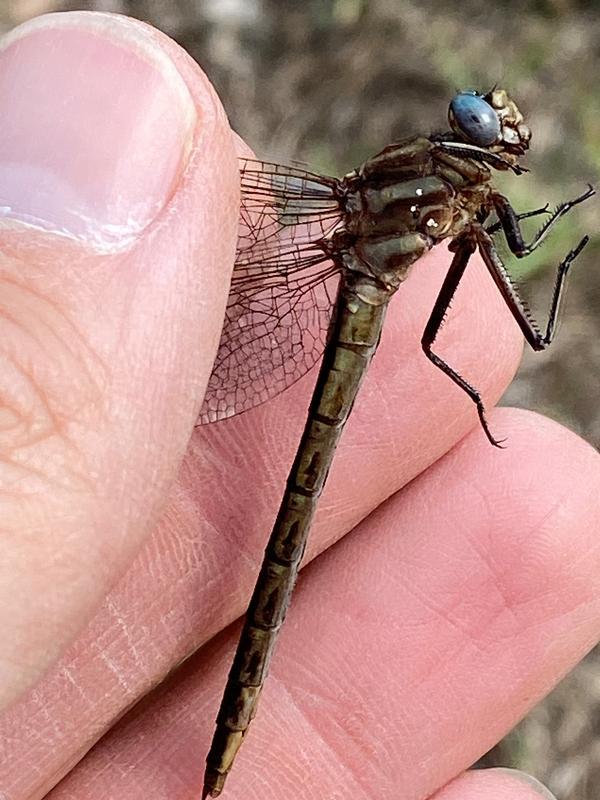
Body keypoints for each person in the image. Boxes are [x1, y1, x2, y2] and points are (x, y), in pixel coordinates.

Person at [0, 11, 597, 800]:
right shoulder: (445, 191)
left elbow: (517, 270)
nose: (496, 133)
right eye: (482, 120)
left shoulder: (460, 196)